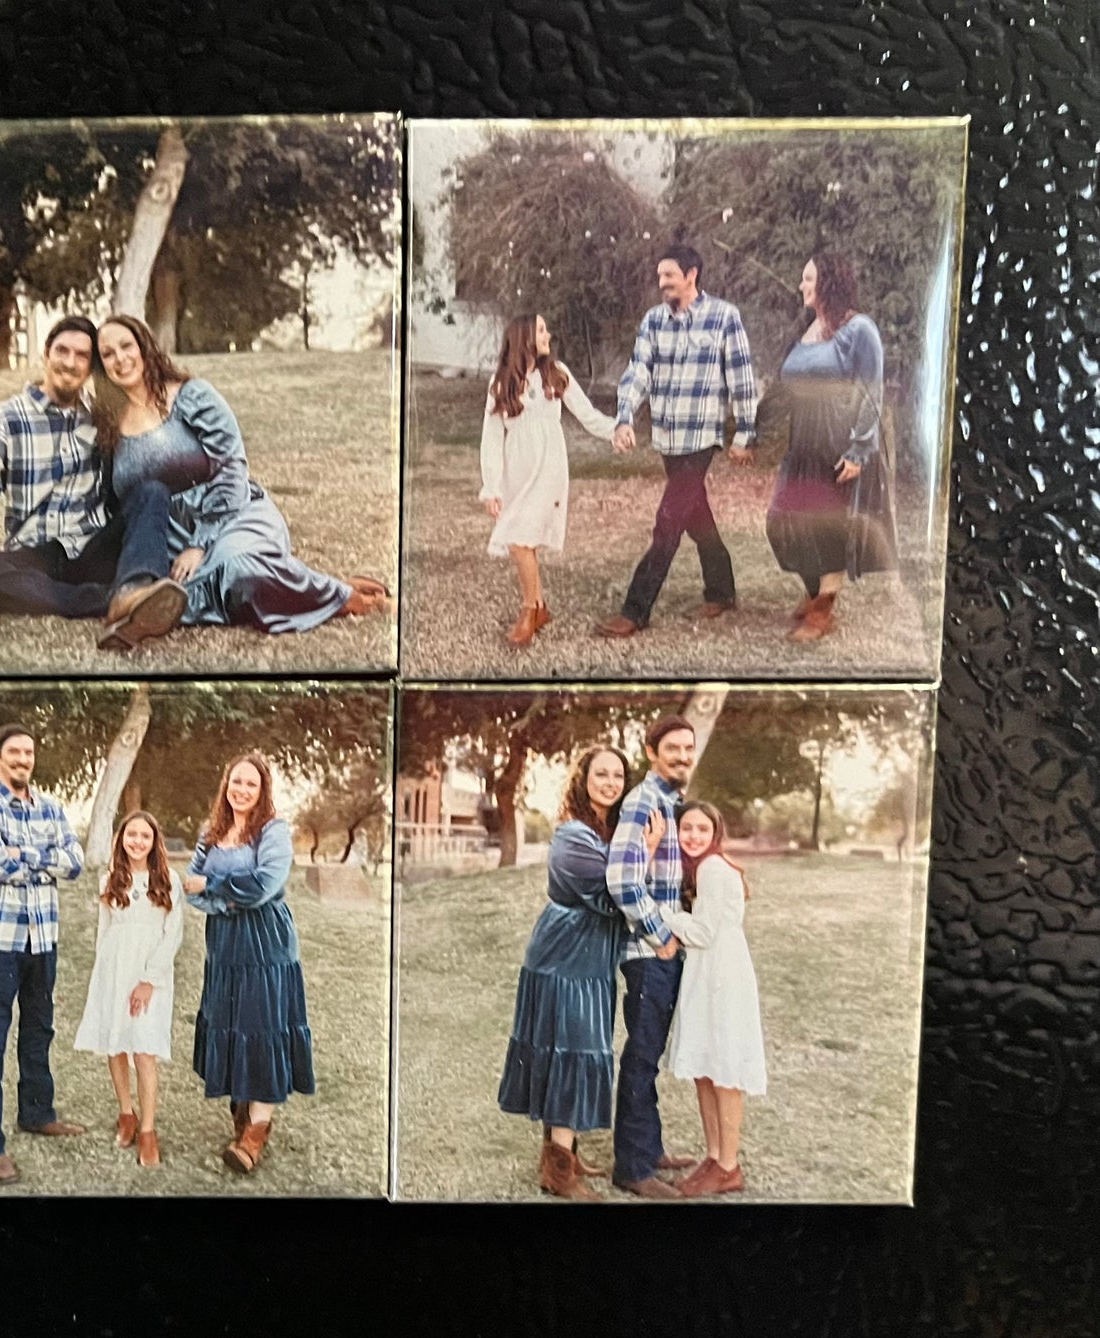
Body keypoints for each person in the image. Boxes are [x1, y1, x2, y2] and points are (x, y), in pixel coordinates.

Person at [91, 315, 389, 648]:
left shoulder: (192, 396)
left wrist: (199, 544)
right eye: (108, 354)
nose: (120, 359)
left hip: (230, 515)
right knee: (172, 600)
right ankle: (305, 583)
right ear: (101, 365)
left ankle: (346, 598)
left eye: (126, 346)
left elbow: (231, 468)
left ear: (144, 346)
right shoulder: (107, 427)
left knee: (240, 567)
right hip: (168, 539)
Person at [0, 315, 187, 651]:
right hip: (35, 554)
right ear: (46, 354)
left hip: (91, 548)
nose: (70, 363)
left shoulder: (102, 418)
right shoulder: (6, 418)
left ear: (90, 368)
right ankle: (112, 600)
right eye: (62, 351)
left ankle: (134, 588)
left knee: (152, 491)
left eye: (82, 356)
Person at [598, 245, 760, 639]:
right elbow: (639, 371)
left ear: (691, 274)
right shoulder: (654, 321)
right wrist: (623, 418)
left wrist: (745, 432)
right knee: (695, 515)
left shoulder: (724, 317)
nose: (662, 283)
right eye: (659, 276)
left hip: (701, 436)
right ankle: (722, 591)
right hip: (668, 437)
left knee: (668, 523)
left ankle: (635, 610)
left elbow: (741, 377)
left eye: (669, 275)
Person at [496, 746, 636, 1201]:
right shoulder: (572, 834)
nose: (611, 782)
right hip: (564, 956)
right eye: (602, 774)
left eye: (618, 775)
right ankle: (558, 1172)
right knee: (571, 1050)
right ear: (584, 779)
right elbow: (609, 890)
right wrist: (644, 856)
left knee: (575, 1048)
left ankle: (564, 1153)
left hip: (591, 960)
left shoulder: (609, 829)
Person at [0, 725, 89, 1183]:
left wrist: (24, 854)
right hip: (1, 940)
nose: (23, 759)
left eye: (29, 752)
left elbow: (75, 861)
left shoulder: (52, 807)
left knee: (39, 1028)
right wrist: (43, 857)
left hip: (43, 937)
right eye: (14, 752)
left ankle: (37, 1113)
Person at [183, 752, 315, 1174]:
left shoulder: (273, 831)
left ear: (262, 792)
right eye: (236, 782)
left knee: (263, 1029)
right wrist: (222, 899)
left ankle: (254, 1136)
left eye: (251, 784)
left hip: (265, 944)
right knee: (234, 1024)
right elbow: (190, 887)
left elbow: (264, 885)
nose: (241, 790)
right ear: (226, 785)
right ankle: (244, 1115)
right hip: (224, 945)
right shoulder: (211, 832)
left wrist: (215, 887)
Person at [764, 253, 897, 642]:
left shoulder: (860, 330)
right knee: (783, 523)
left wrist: (858, 451)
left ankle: (824, 608)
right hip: (801, 442)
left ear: (830, 283)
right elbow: (785, 386)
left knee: (826, 528)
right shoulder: (807, 329)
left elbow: (872, 391)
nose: (801, 285)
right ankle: (812, 591)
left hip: (838, 442)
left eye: (809, 278)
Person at [604, 715, 703, 1198]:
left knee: (650, 1055)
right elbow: (621, 880)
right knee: (641, 1057)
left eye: (689, 748)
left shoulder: (672, 802)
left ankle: (650, 1147)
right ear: (651, 752)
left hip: (664, 951)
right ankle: (633, 1167)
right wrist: (660, 934)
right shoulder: (642, 801)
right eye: (673, 748)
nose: (683, 756)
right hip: (647, 952)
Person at [476, 313, 618, 646]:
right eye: (541, 330)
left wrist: (616, 432)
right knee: (522, 537)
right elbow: (492, 439)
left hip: (549, 469)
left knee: (519, 539)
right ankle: (539, 607)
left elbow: (587, 414)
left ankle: (529, 610)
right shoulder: (501, 383)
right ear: (524, 337)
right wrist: (492, 487)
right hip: (517, 472)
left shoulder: (557, 374)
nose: (548, 335)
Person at [658, 801, 767, 1198]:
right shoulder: (701, 868)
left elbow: (702, 932)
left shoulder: (712, 867)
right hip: (708, 973)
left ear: (715, 833)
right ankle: (714, 1155)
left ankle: (728, 1165)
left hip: (722, 975)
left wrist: (662, 914)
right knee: (706, 1066)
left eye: (702, 830)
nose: (693, 836)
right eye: (686, 828)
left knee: (723, 1069)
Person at [72, 810, 187, 1169]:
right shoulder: (110, 878)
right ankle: (126, 1113)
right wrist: (104, 977)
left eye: (145, 836)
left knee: (144, 1051)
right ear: (121, 838)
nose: (137, 841)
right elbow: (104, 931)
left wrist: (149, 980)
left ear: (155, 843)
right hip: (113, 972)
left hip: (150, 976)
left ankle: (149, 1130)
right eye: (131, 834)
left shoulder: (168, 879)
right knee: (116, 1045)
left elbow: (173, 934)